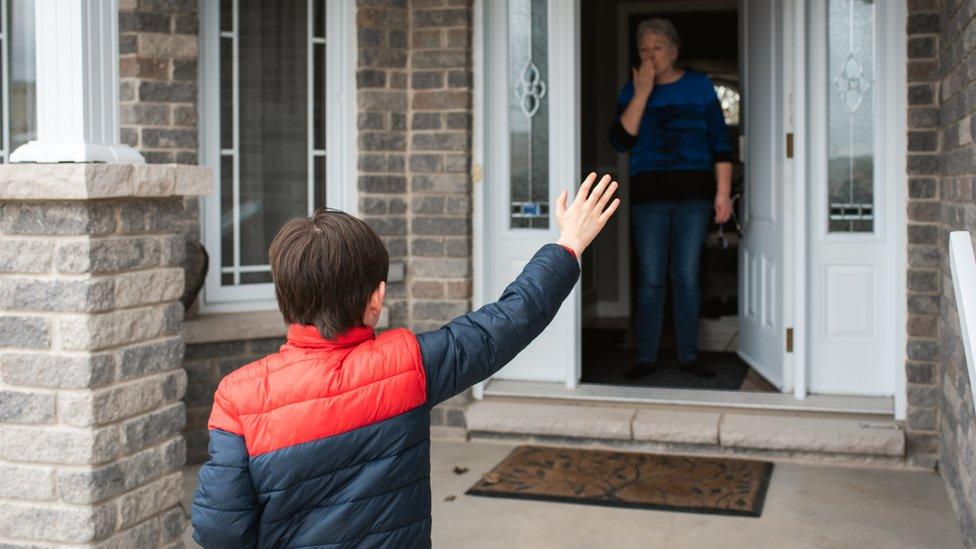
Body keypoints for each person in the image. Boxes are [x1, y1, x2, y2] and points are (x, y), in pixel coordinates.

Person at [191, 173, 619, 547]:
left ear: (285, 298)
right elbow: (507, 322)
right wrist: (568, 244)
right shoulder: (408, 365)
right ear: (376, 299)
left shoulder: (238, 398)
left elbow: (220, 531)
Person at [608, 18, 734, 381]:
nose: (649, 55)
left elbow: (720, 144)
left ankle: (689, 357)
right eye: (643, 49)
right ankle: (645, 357)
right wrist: (643, 92)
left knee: (687, 277)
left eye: (657, 47)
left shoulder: (699, 86)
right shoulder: (632, 89)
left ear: (674, 51)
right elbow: (621, 141)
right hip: (649, 199)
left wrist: (723, 194)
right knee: (650, 279)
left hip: (695, 198)